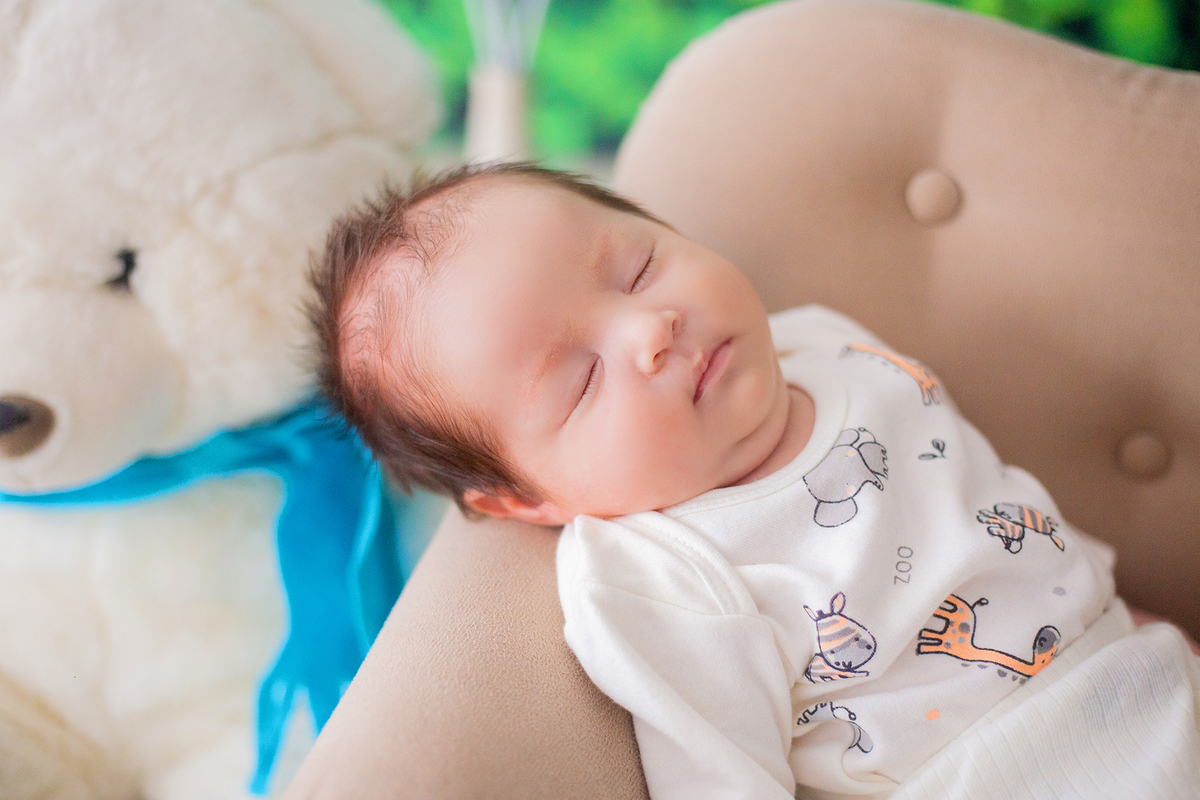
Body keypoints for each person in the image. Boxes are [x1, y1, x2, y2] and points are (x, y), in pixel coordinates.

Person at [310, 162, 1200, 798]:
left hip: (1140, 679)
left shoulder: (817, 339)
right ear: (526, 498)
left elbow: (977, 495)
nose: (649, 328)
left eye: (638, 266)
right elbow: (720, 775)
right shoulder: (658, 572)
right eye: (581, 381)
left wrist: (1110, 606)